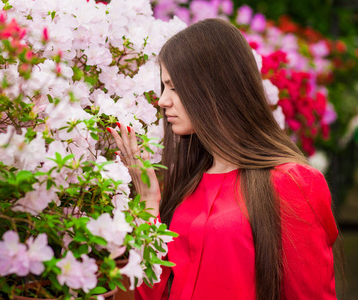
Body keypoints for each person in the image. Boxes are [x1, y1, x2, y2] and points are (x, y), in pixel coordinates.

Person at [107, 18, 339, 300]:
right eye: (164, 87)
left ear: (214, 87)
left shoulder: (291, 182)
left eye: (174, 87)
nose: (163, 101)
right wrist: (148, 202)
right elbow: (152, 293)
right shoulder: (188, 184)